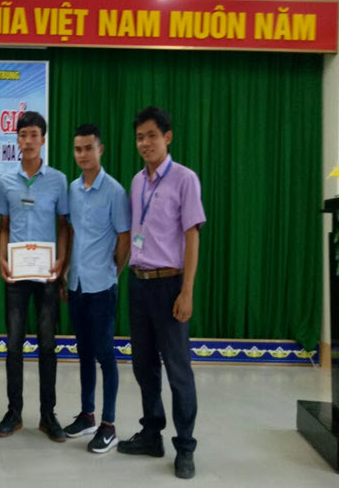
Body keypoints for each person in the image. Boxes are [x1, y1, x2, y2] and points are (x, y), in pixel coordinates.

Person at [116, 106, 206, 480]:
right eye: (139, 137)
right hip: (139, 283)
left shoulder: (185, 179)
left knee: (178, 370)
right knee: (143, 365)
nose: (145, 143)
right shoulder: (137, 182)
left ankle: (185, 446)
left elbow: (192, 236)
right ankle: (152, 433)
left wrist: (187, 292)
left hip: (170, 284)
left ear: (167, 137)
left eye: (151, 136)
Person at [0, 111, 69, 442]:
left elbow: (64, 226)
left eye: (34, 135)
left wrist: (61, 261)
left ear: (43, 139)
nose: (28, 141)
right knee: (13, 344)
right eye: (23, 135)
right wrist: (1, 258)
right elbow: (3, 226)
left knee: (47, 345)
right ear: (17, 140)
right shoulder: (6, 182)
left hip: (47, 275)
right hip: (16, 275)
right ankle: (14, 413)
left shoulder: (58, 180)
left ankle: (48, 415)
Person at [61, 124, 130, 453]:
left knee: (105, 355)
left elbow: (124, 238)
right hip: (76, 285)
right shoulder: (72, 189)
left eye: (88, 148)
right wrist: (66, 273)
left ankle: (109, 424)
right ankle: (87, 415)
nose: (83, 154)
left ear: (100, 150)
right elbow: (71, 232)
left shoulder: (115, 191)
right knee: (84, 352)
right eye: (78, 149)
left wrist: (112, 272)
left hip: (102, 286)